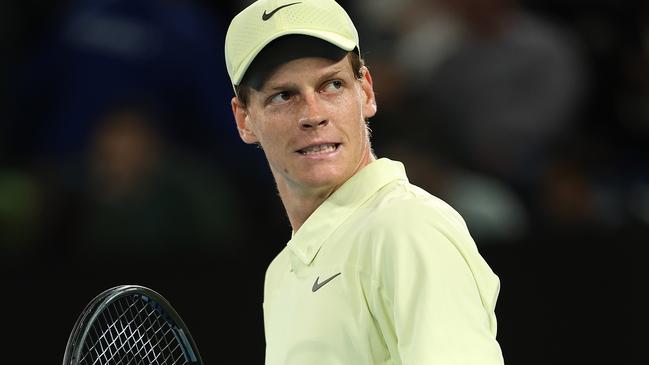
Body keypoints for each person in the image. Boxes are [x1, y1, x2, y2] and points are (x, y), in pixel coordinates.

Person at [224, 0, 504, 363]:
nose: (313, 114)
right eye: (284, 95)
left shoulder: (407, 228)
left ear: (366, 92)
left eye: (332, 85)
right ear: (244, 118)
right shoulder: (281, 274)